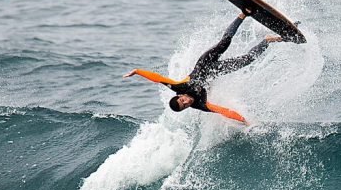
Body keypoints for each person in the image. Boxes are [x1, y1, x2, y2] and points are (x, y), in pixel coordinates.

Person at [124, 8, 290, 118]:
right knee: (247, 60)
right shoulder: (200, 105)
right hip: (215, 71)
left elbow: (157, 78)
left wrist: (137, 71)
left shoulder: (178, 87)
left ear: (179, 96)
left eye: (182, 101)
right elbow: (223, 111)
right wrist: (243, 120)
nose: (186, 102)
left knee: (224, 43)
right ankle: (268, 40)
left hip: (204, 62)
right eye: (185, 106)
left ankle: (243, 14)